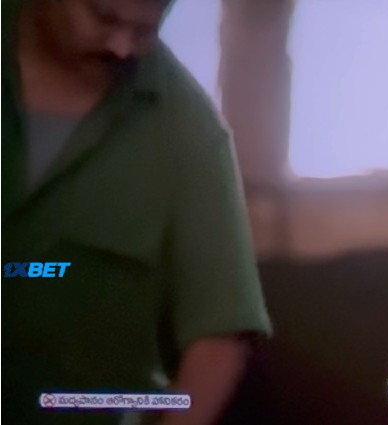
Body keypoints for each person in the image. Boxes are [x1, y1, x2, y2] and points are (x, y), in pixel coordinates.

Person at [2, 1, 272, 424]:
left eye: (146, 29)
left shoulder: (189, 131)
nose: (123, 47)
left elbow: (219, 336)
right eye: (104, 19)